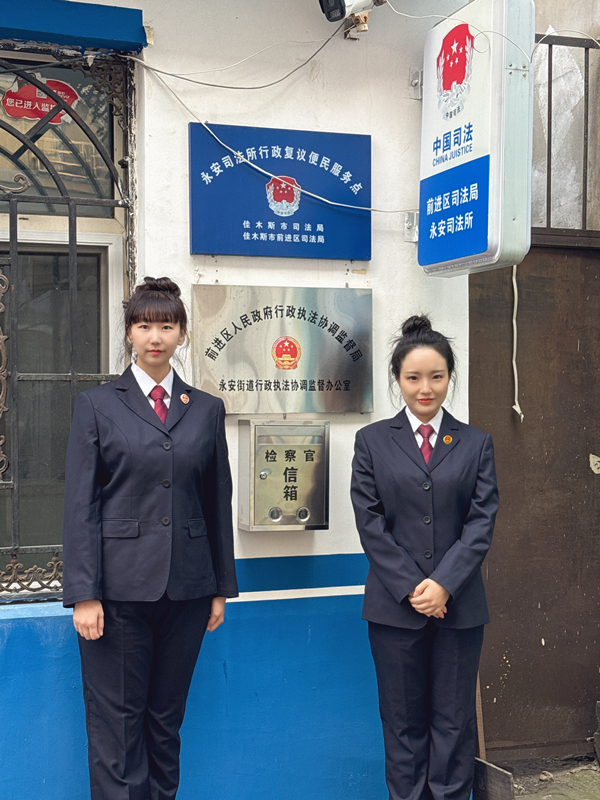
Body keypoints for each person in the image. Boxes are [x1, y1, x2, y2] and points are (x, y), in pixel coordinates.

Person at [62, 276, 238, 800]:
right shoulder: (97, 404)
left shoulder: (205, 408)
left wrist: (220, 587)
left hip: (187, 591)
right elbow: (80, 505)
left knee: (165, 723)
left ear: (182, 333)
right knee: (117, 727)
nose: (155, 336)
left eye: (166, 326)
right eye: (143, 326)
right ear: (129, 333)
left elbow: (216, 500)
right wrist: (84, 593)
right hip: (116, 596)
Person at [351, 315, 498, 800]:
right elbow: (370, 523)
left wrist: (445, 584)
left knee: (454, 724)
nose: (425, 388)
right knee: (403, 726)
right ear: (398, 379)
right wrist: (415, 588)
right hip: (394, 610)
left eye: (436, 376)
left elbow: (481, 522)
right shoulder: (372, 441)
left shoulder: (476, 443)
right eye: (413, 377)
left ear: (450, 377)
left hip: (460, 608)